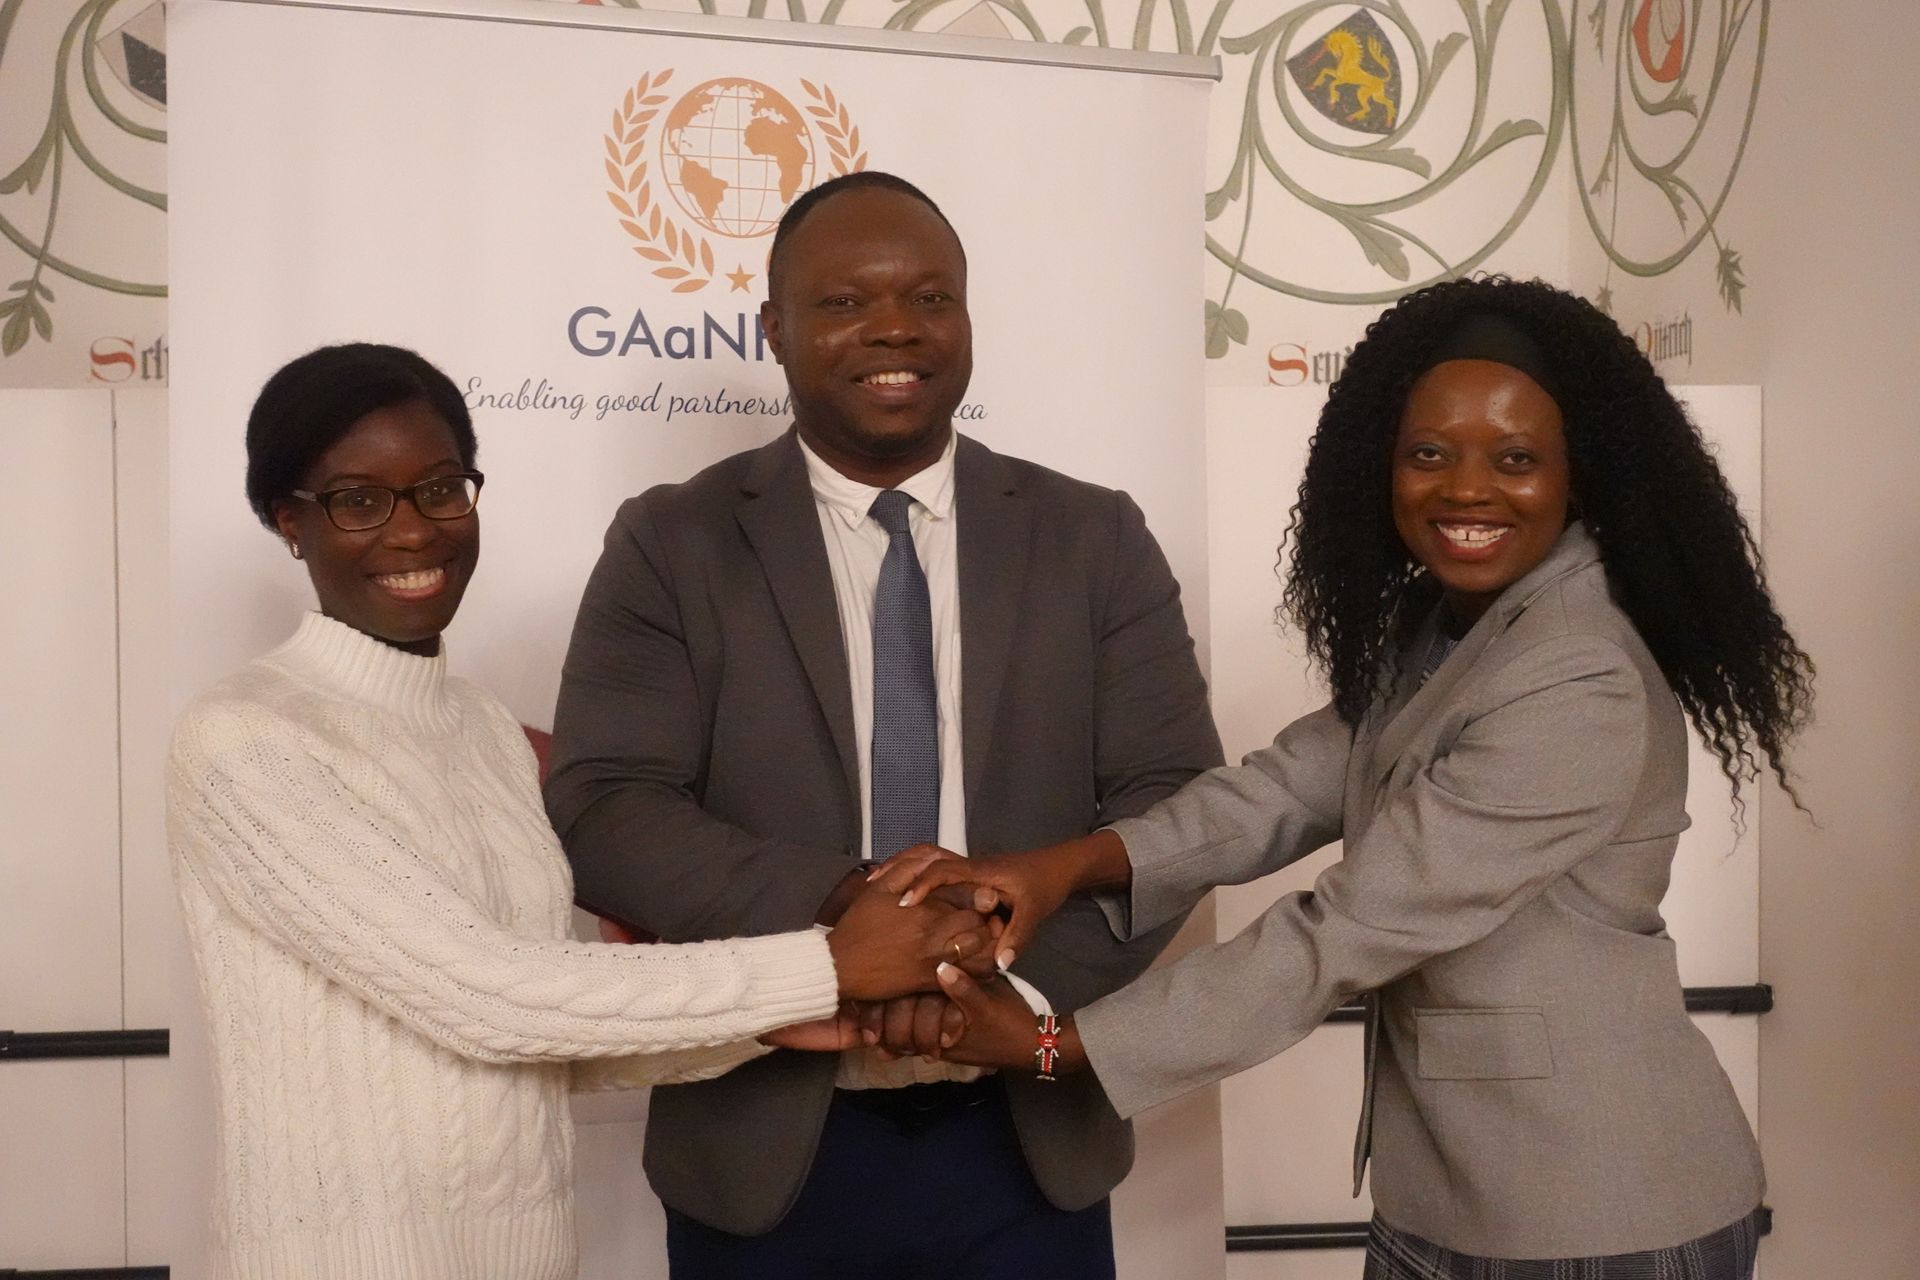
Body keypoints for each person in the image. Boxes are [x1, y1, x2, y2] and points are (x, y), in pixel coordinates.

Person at [894, 276, 1815, 1278]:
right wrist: (1065, 865)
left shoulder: (1577, 671)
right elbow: (1287, 786)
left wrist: (1056, 1046)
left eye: (1516, 457)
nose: (1466, 488)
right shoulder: (1451, 621)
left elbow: (1350, 926)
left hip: (1598, 1210)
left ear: (1576, 476)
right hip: (1447, 1194)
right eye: (1429, 452)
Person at [167, 342, 996, 1280]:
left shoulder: (481, 729)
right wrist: (826, 962)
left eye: (440, 489)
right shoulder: (244, 739)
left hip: (520, 1254)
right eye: (359, 501)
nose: (412, 532)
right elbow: (481, 993)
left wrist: (768, 1025)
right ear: (288, 521)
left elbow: (541, 1040)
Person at [544, 172, 1223, 1278]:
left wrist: (995, 976)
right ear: (773, 327)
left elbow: (1182, 808)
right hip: (764, 1144)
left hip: (1029, 1134)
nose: (894, 327)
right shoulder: (672, 543)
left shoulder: (1092, 537)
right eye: (844, 302)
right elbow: (605, 805)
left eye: (929, 296)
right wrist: (849, 925)